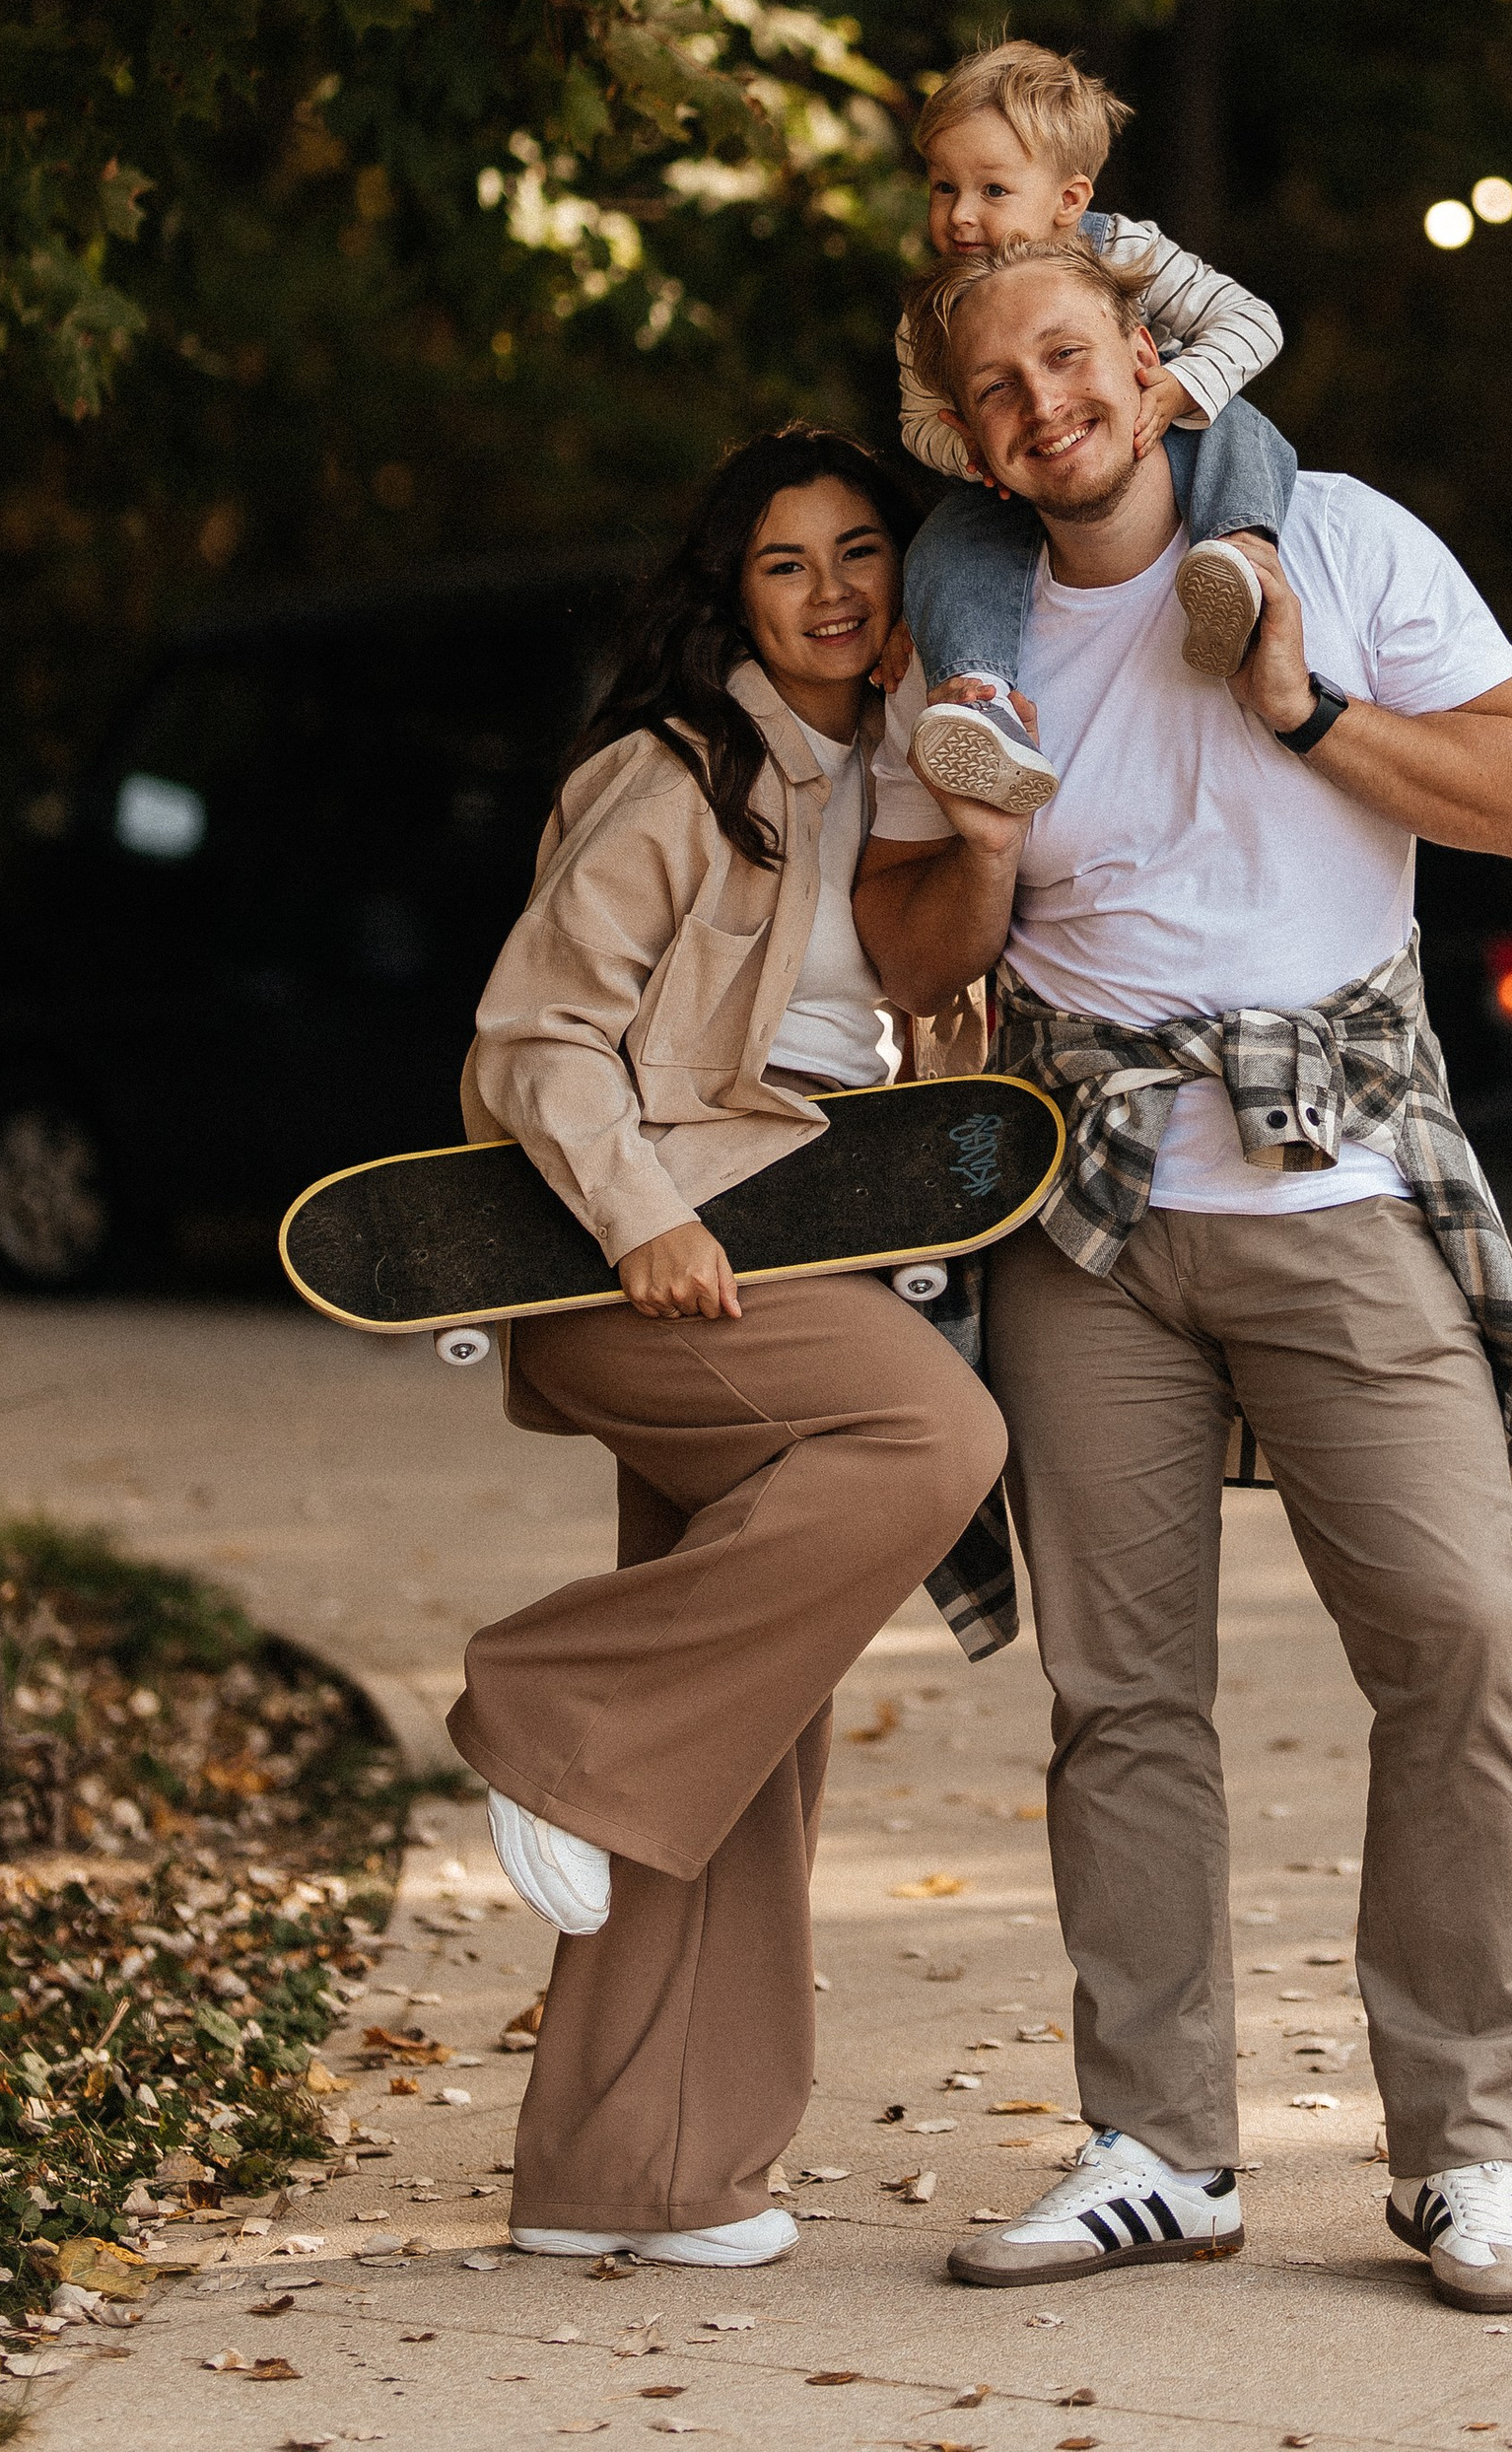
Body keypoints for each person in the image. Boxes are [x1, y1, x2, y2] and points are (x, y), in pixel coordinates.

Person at [853, 239, 1512, 2319]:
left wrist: (1303, 699)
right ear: (966, 433)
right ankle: (1158, 2151)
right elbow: (909, 956)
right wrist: (982, 845)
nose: (1043, 406)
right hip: (1087, 1221)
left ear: (1151, 371)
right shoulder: (970, 634)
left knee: (1452, 1635)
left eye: (1068, 359)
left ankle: (1461, 2154)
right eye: (995, 387)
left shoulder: (1338, 544)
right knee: (1117, 1697)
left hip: (1339, 1189)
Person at [443, 430, 1007, 2270]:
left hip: (802, 1273)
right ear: (729, 595)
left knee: (747, 1726)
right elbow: (536, 1040)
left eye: (864, 552)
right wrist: (645, 1219)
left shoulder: (913, 781)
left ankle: (636, 2177)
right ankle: (554, 1716)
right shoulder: (675, 774)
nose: (835, 590)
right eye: (788, 564)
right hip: (654, 1282)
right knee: (935, 1445)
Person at [896, 36, 1296, 817]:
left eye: (992, 190)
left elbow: (1251, 320)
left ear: (1070, 202)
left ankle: (1239, 565)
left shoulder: (1126, 248)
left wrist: (1179, 386)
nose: (961, 215)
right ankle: (982, 705)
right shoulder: (933, 314)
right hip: (1019, 480)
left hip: (1157, 439)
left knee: (1237, 423)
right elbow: (918, 421)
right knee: (948, 540)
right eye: (944, 188)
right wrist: (974, 451)